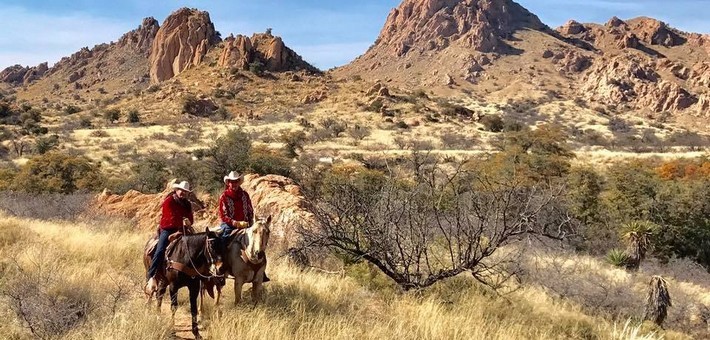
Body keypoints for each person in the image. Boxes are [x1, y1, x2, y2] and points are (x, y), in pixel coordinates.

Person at [218, 171, 269, 282]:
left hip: (246, 225)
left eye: (236, 182)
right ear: (228, 183)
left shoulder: (245, 195)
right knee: (222, 240)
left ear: (239, 183)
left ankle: (261, 270)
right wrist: (235, 223)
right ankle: (223, 267)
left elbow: (250, 210)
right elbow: (223, 215)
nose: (234, 184)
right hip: (229, 226)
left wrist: (250, 222)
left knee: (259, 240)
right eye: (232, 182)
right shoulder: (224, 196)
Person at [145, 180, 195, 293]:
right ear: (176, 190)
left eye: (185, 191)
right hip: (168, 229)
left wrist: (188, 223)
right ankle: (151, 275)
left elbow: (191, 219)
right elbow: (170, 217)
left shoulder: (187, 204)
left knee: (197, 246)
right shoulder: (169, 201)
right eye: (181, 190)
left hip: (182, 230)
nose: (183, 193)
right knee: (160, 249)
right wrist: (180, 226)